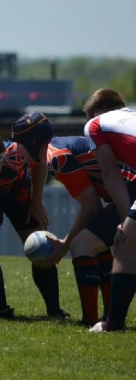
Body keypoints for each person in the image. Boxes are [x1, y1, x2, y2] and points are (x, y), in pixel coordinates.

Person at [0, 119, 69, 320]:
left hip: (15, 191)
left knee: (40, 243)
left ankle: (54, 310)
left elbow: (38, 163)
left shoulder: (16, 156)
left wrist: (36, 200)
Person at [30, 135, 125, 325]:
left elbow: (91, 206)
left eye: (19, 147)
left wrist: (64, 245)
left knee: (80, 244)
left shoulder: (57, 156)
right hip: (127, 194)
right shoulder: (68, 146)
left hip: (131, 194)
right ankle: (110, 318)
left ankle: (91, 321)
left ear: (31, 143)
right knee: (95, 243)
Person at [80, 89, 136, 332]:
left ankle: (112, 324)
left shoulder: (94, 125)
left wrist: (125, 221)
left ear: (96, 112)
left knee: (125, 246)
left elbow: (111, 174)